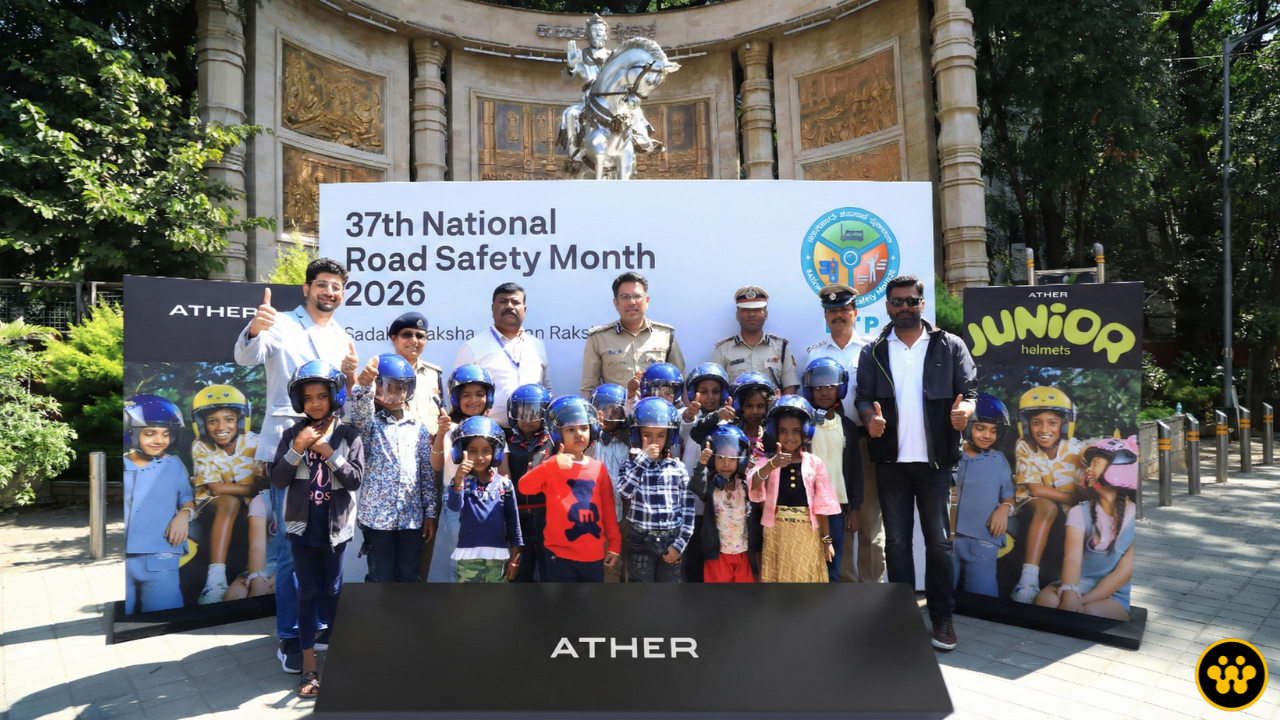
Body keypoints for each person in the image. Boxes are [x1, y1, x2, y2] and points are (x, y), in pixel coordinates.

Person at [234, 258, 356, 674]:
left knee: (323, 545)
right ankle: (289, 636)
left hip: (328, 452)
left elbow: (339, 398)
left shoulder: (343, 337)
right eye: (322, 284)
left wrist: (355, 381)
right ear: (306, 289)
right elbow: (246, 357)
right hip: (289, 449)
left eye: (337, 287)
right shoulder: (281, 323)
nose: (330, 292)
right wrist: (255, 328)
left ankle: (317, 628)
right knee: (290, 550)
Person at [856, 274, 976, 651]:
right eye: (897, 302)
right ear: (887, 306)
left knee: (939, 544)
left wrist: (966, 412)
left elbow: (969, 392)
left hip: (935, 463)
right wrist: (868, 420)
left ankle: (942, 618)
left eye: (911, 301)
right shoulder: (873, 350)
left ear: (923, 304)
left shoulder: (949, 345)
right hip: (891, 462)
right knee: (897, 543)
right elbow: (862, 397)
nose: (904, 307)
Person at [270, 361, 364, 699]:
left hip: (334, 529)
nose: (315, 403)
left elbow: (355, 479)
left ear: (334, 396)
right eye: (308, 397)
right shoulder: (290, 435)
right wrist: (298, 449)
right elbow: (278, 479)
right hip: (301, 529)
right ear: (299, 401)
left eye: (322, 396)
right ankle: (309, 666)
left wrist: (327, 451)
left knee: (334, 591)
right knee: (307, 593)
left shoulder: (348, 434)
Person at [806, 282, 883, 585]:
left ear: (855, 312)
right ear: (826, 316)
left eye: (843, 310)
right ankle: (844, 590)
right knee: (836, 522)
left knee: (867, 523)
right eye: (832, 311)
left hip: (862, 444)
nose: (838, 315)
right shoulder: (813, 352)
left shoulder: (872, 349)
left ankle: (871, 594)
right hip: (824, 446)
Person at [351, 354, 437, 583]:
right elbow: (360, 414)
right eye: (390, 387)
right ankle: (380, 619)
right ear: (377, 388)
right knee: (381, 576)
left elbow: (427, 473)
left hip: (411, 519)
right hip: (377, 521)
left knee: (409, 575)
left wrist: (429, 513)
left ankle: (406, 618)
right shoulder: (370, 425)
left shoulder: (417, 427)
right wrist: (363, 386)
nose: (398, 394)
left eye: (403, 388)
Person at [518, 397, 622, 582]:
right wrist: (550, 466)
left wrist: (614, 543)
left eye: (584, 428)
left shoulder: (599, 468)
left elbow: (608, 510)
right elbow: (524, 487)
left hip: (594, 557)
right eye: (570, 430)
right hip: (559, 557)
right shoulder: (550, 466)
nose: (579, 434)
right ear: (558, 434)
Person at [1035, 437, 1137, 621]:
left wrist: (1081, 602)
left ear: (1120, 467)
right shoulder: (1078, 512)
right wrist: (1070, 594)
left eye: (1095, 463)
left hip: (1113, 594)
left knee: (1089, 615)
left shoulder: (1137, 519)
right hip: (1072, 584)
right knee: (1045, 601)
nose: (1088, 469)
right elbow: (1072, 559)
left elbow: (1122, 574)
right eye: (1089, 464)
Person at [428, 365, 509, 582]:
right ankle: (461, 611)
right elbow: (436, 466)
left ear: (489, 397)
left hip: (491, 501)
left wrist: (507, 507)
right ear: (455, 398)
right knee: (461, 559)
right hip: (459, 500)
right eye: (466, 395)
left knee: (492, 560)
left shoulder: (494, 428)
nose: (474, 399)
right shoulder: (450, 427)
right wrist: (442, 433)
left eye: (480, 394)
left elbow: (505, 472)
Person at [748, 396, 840, 583]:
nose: (789, 437)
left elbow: (822, 506)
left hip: (807, 532)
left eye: (795, 431)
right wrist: (772, 465)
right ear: (775, 432)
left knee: (806, 581)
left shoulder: (815, 463)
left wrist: (827, 541)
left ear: (805, 431)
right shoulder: (768, 463)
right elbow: (753, 482)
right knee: (778, 581)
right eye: (783, 431)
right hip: (777, 533)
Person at [384, 312, 446, 581]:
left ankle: (416, 590)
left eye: (420, 336)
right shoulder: (379, 371)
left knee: (426, 531)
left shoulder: (434, 374)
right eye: (407, 335)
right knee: (386, 539)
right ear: (393, 338)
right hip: (393, 463)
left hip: (428, 462)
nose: (414, 340)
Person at [123, 395, 195, 614]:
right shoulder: (120, 464)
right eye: (150, 433)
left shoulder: (173, 465)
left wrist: (184, 515)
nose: (159, 440)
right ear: (131, 432)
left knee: (164, 616)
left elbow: (187, 498)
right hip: (122, 558)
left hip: (160, 554)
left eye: (166, 434)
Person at [1011, 386, 1083, 604]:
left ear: (1065, 424)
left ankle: (1068, 578)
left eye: (1052, 422)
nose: (1044, 429)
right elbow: (1036, 489)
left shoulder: (1076, 448)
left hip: (1069, 510)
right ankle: (1028, 579)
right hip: (1032, 503)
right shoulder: (1024, 446)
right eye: (1036, 422)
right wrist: (1070, 498)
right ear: (1025, 425)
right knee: (1048, 506)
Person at [189, 385, 259, 604]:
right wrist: (253, 488)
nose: (221, 427)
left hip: (253, 506)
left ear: (240, 420)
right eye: (212, 421)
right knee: (229, 502)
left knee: (262, 504)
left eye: (229, 419)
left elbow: (268, 483)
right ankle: (215, 579)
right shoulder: (200, 445)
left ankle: (253, 569)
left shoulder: (256, 442)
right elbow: (215, 489)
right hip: (213, 504)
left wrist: (256, 491)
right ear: (202, 425)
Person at [616, 397, 694, 583]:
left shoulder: (678, 468)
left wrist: (679, 544)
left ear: (670, 436)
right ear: (636, 435)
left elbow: (688, 510)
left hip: (672, 539)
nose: (654, 441)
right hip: (639, 540)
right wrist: (643, 459)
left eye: (660, 435)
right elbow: (625, 492)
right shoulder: (629, 466)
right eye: (647, 435)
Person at [801, 357, 864, 583]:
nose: (824, 392)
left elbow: (856, 469)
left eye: (830, 386)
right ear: (809, 389)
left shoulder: (847, 427)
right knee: (805, 564)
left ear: (841, 388)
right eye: (817, 387)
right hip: (805, 507)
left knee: (832, 567)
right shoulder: (803, 425)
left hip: (836, 507)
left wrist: (855, 508)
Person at [454, 283, 552, 428]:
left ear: (524, 310)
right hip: (488, 435)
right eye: (503, 301)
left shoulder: (537, 345)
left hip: (533, 435)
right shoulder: (473, 347)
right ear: (492, 309)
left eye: (516, 302)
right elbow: (458, 393)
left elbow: (547, 390)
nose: (509, 306)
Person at [581, 271, 685, 396]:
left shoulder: (665, 335)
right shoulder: (598, 338)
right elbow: (589, 389)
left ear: (647, 300)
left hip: (657, 411)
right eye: (625, 297)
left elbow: (680, 383)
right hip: (616, 412)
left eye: (637, 296)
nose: (632, 302)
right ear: (616, 303)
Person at [953, 393, 1016, 598]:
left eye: (993, 430)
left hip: (983, 539)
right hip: (947, 541)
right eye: (980, 428)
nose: (987, 435)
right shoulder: (950, 455)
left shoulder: (998, 460)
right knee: (942, 595)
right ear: (967, 425)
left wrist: (1004, 509)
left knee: (984, 597)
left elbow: (1008, 495)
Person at [447, 417, 523, 582]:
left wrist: (515, 560)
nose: (480, 457)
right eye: (473, 451)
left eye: (486, 451)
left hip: (499, 557)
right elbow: (454, 506)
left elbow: (514, 525)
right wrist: (459, 477)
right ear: (461, 451)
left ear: (495, 452)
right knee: (469, 605)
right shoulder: (461, 483)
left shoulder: (505, 485)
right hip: (468, 558)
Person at [680, 362, 736, 582]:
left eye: (715, 391)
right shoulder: (686, 416)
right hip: (690, 503)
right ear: (693, 393)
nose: (710, 397)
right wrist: (689, 414)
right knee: (691, 562)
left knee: (713, 564)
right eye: (703, 392)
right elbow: (691, 428)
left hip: (717, 506)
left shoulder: (728, 420)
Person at [689, 425, 756, 583]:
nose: (726, 464)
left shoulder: (744, 485)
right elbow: (696, 485)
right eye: (720, 457)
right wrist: (701, 464)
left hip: (743, 552)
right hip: (717, 554)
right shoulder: (711, 487)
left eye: (732, 458)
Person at [728, 372, 777, 575]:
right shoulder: (732, 433)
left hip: (766, 503)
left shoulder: (772, 436)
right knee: (745, 549)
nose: (755, 411)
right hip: (739, 503)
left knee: (763, 549)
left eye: (760, 406)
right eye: (749, 406)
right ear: (739, 406)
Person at [505, 384, 555, 582]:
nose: (527, 419)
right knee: (521, 572)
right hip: (518, 517)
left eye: (534, 413)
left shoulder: (553, 441)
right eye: (522, 413)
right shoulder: (506, 442)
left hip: (547, 516)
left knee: (549, 570)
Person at [711, 285, 799, 394]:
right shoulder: (722, 350)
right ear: (737, 315)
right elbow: (716, 389)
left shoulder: (781, 347)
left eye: (757, 310)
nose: (751, 314)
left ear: (765, 315)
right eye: (746, 310)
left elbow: (789, 385)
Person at [587, 383, 632, 582]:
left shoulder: (624, 446)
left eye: (614, 411)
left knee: (623, 565)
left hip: (620, 515)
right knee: (605, 568)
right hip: (594, 518)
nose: (606, 415)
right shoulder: (589, 443)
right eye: (602, 409)